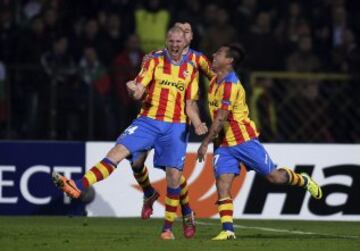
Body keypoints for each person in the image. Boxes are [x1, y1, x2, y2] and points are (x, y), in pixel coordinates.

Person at [52, 26, 207, 240]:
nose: (174, 45)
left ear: (185, 43)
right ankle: (77, 186)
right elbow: (138, 87)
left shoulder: (192, 67)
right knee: (121, 153)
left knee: (174, 174)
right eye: (171, 40)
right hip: (148, 121)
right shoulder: (153, 60)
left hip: (176, 125)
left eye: (178, 41)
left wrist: (198, 123)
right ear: (166, 40)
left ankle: (170, 226)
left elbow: (190, 104)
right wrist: (134, 89)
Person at [197, 44, 323, 241]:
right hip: (223, 145)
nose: (214, 54)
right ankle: (228, 230)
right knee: (222, 183)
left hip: (244, 141)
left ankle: (303, 180)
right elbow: (198, 61)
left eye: (219, 53)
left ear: (229, 61)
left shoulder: (231, 85)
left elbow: (221, 118)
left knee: (275, 178)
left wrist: (204, 143)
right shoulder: (214, 80)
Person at [127, 22, 214, 238]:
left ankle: (181, 217)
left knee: (174, 173)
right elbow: (142, 81)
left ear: (190, 38)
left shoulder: (197, 59)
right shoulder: (156, 57)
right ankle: (150, 193)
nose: (181, 36)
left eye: (186, 31)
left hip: (178, 120)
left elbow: (215, 77)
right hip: (150, 117)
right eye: (178, 32)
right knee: (136, 162)